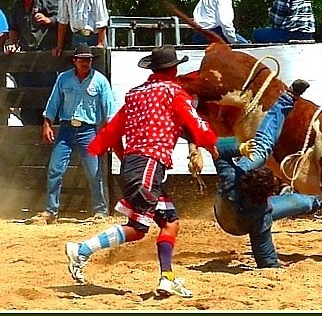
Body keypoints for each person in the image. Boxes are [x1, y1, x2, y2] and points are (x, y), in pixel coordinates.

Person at [65, 45, 219, 298]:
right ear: (174, 69)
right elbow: (196, 123)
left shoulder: (136, 95)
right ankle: (82, 249)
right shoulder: (174, 93)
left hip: (139, 165)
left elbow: (112, 132)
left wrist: (126, 159)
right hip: (150, 165)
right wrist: (211, 144)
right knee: (137, 228)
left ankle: (167, 278)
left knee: (170, 222)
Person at [213, 80, 322, 268]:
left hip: (227, 212)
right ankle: (319, 201)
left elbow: (216, 148)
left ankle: (288, 98)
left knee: (259, 151)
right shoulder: (261, 214)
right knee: (300, 202)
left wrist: (239, 148)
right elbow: (265, 255)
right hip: (237, 220)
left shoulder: (233, 178)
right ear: (268, 195)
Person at [33, 43, 116, 224]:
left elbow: (110, 110)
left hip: (88, 130)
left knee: (94, 172)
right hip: (66, 128)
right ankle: (51, 211)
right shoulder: (63, 79)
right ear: (74, 61)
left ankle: (100, 210)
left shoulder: (100, 81)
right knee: (55, 169)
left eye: (88, 60)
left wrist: (108, 134)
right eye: (82, 60)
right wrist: (47, 124)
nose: (85, 63)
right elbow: (53, 103)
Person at [1, 0, 59, 125]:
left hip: (47, 57)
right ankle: (29, 136)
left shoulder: (48, 0)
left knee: (49, 97)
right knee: (26, 99)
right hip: (27, 58)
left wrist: (48, 20)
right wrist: (12, 44)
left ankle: (50, 132)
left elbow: (63, 19)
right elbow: (14, 28)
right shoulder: (16, 5)